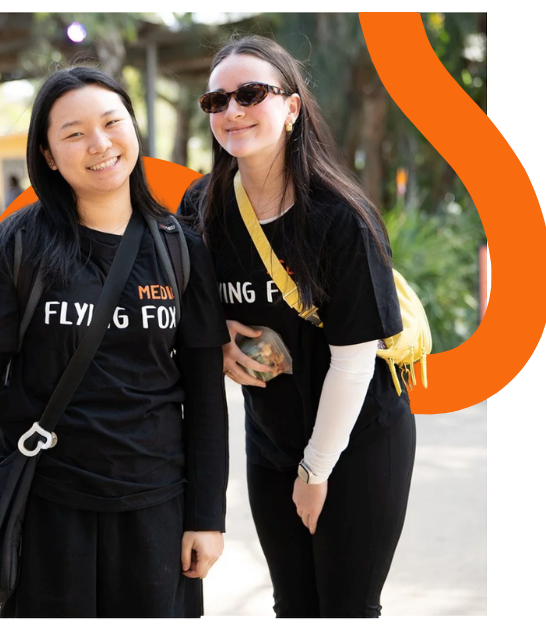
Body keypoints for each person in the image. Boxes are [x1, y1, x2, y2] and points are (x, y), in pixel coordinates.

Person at [0, 67, 229, 617]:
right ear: (49, 155)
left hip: (156, 508)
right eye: (74, 133)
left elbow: (205, 397)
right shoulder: (17, 244)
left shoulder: (181, 247)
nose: (99, 143)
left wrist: (206, 517)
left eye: (111, 123)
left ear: (133, 129)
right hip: (43, 508)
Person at [180, 35, 417, 618]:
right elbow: (186, 314)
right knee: (293, 605)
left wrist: (315, 470)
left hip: (359, 438)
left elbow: (354, 362)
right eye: (216, 101)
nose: (232, 110)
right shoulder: (202, 207)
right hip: (270, 439)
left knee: (347, 606)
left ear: (291, 108)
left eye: (250, 94)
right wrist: (217, 344)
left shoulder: (342, 217)